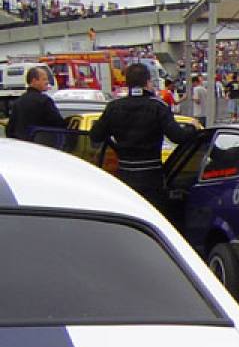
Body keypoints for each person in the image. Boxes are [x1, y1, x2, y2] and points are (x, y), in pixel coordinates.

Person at [90, 62, 197, 228]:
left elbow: (95, 135)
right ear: (148, 82)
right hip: (151, 177)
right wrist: (192, 128)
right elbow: (178, 137)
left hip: (125, 176)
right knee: (152, 223)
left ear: (127, 83)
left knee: (128, 222)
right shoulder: (157, 107)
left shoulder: (114, 107)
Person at [4, 65, 65, 141]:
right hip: (40, 145)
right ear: (34, 81)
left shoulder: (18, 102)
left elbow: (10, 129)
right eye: (44, 79)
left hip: (20, 145)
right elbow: (59, 124)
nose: (47, 82)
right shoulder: (45, 101)